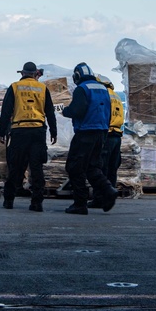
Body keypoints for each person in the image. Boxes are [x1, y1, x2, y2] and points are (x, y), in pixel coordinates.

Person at [0, 62, 58, 212]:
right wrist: (54, 132)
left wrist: (2, 132)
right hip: (38, 131)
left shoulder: (14, 87)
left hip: (19, 131)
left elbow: (6, 111)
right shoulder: (42, 88)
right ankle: (37, 202)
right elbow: (50, 112)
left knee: (16, 167)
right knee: (36, 167)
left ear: (22, 73)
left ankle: (9, 200)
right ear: (35, 74)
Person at [62, 62, 117, 215]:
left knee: (75, 167)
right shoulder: (103, 89)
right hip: (102, 132)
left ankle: (80, 204)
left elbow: (78, 110)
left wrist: (65, 111)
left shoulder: (82, 89)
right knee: (92, 167)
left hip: (85, 132)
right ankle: (108, 190)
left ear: (77, 76)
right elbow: (108, 111)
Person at [90, 75, 124, 209]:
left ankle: (100, 198)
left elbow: (100, 114)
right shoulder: (116, 96)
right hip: (117, 135)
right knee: (112, 168)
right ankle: (110, 195)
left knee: (101, 168)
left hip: (107, 134)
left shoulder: (104, 95)